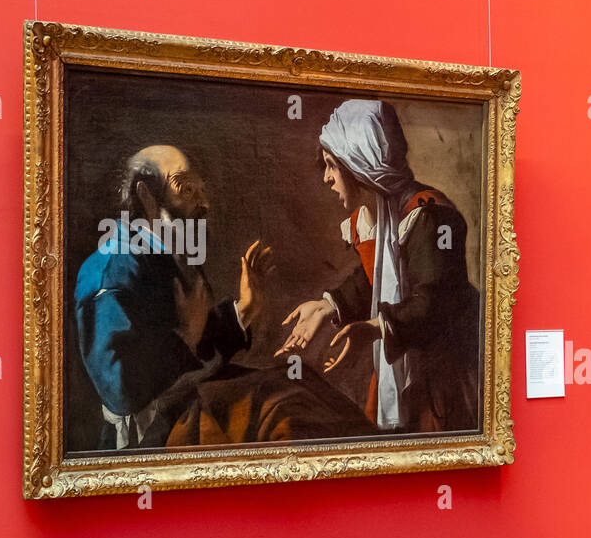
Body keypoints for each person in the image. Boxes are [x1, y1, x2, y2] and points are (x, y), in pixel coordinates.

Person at [74, 144, 377, 449]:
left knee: (297, 381)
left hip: (188, 405)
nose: (203, 204)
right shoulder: (109, 271)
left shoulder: (164, 255)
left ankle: (378, 451)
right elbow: (121, 389)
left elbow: (194, 347)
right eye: (186, 188)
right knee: (286, 408)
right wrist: (187, 339)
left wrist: (243, 310)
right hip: (154, 436)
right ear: (146, 196)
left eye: (201, 190)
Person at [276, 100, 481, 433]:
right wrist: (328, 306)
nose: (327, 178)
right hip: (405, 362)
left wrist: (374, 328)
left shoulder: (428, 215)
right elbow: (374, 279)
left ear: (359, 164)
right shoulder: (370, 218)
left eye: (331, 165)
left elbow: (433, 304)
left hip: (444, 371)